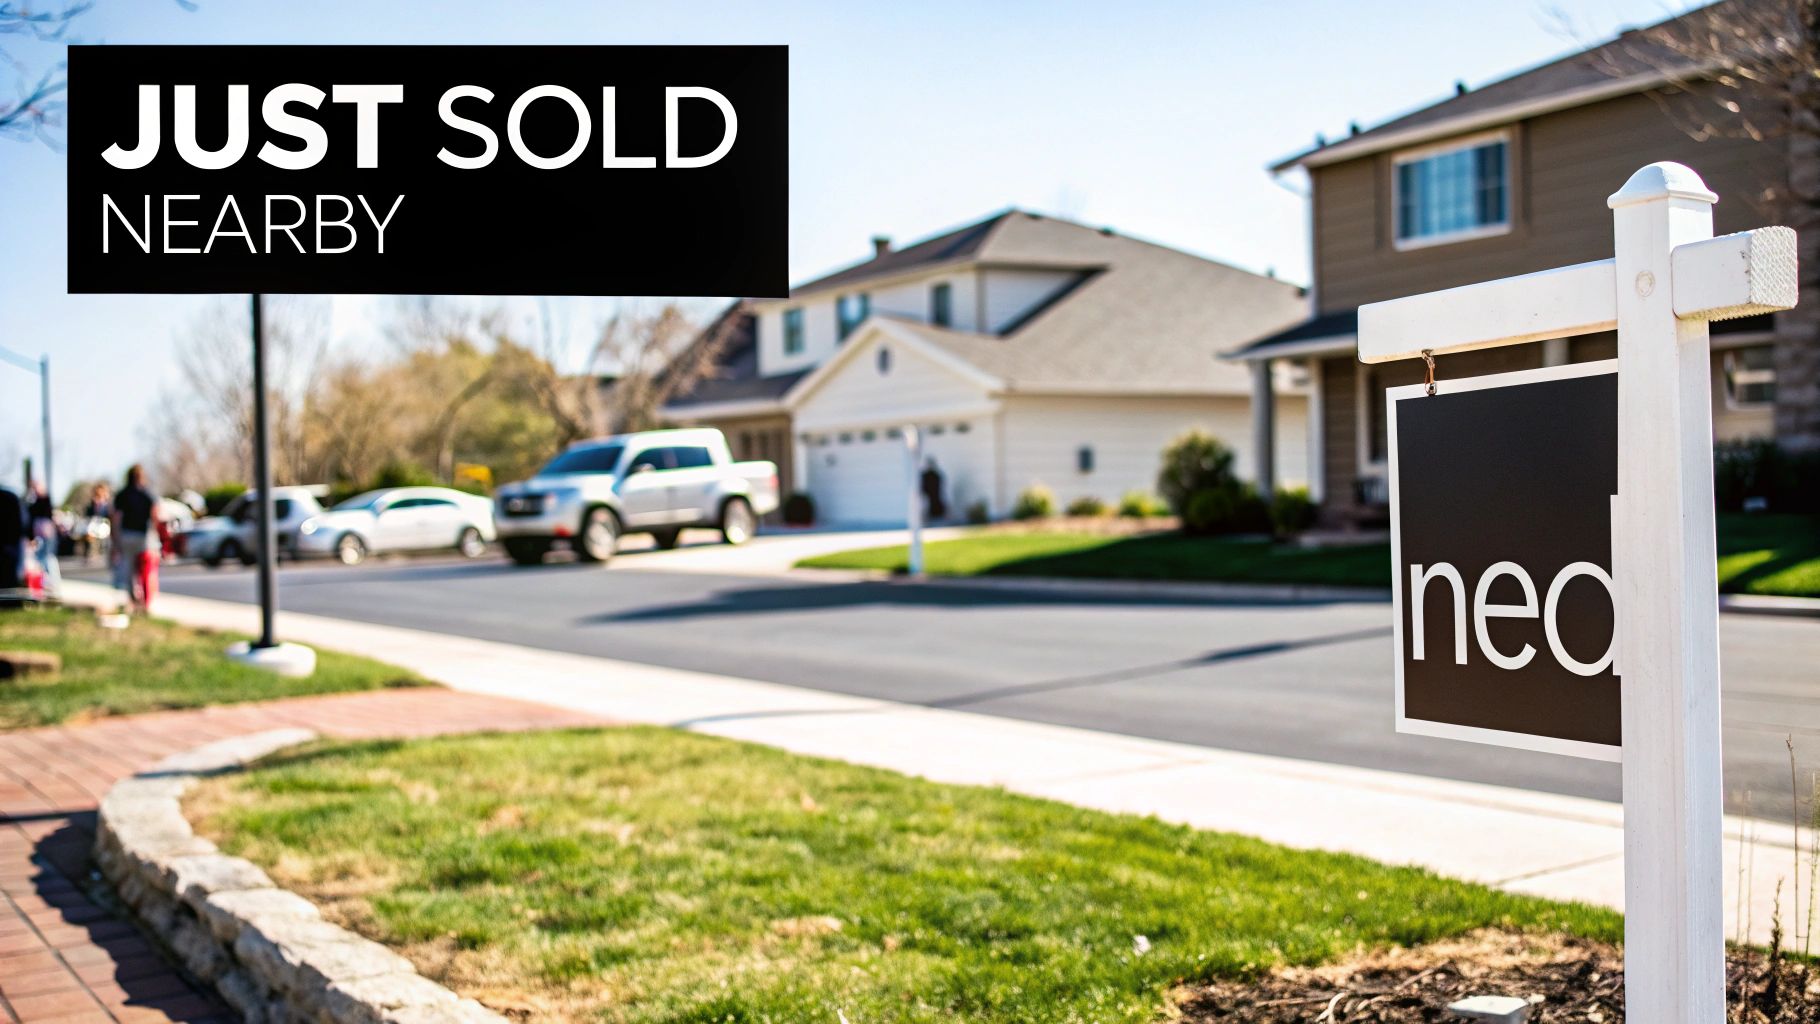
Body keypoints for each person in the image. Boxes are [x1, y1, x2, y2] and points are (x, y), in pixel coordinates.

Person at [111, 465, 162, 613]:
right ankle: (144, 601)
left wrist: (115, 538)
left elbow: (116, 518)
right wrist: (156, 532)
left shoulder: (122, 495)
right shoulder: (147, 494)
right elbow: (155, 515)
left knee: (128, 569)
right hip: (143, 536)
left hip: (127, 535)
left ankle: (133, 599)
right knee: (144, 569)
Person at [26, 480, 59, 598]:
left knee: (48, 559)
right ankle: (46, 584)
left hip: (46, 534)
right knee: (40, 560)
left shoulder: (45, 500)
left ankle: (53, 584)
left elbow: (46, 507)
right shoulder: (33, 502)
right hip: (39, 535)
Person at [920, 457, 947, 522]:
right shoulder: (924, 475)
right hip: (927, 498)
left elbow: (941, 487)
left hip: (936, 498)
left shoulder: (937, 475)